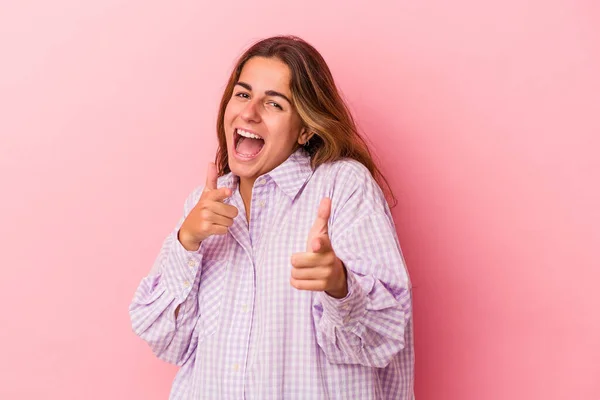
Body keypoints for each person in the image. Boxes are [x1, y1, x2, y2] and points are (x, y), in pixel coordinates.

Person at [129, 35, 414, 399]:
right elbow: (167, 343)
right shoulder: (203, 205)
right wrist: (186, 243)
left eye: (274, 104)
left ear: (306, 129)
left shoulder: (341, 186)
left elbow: (385, 339)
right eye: (243, 94)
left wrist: (340, 285)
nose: (249, 113)